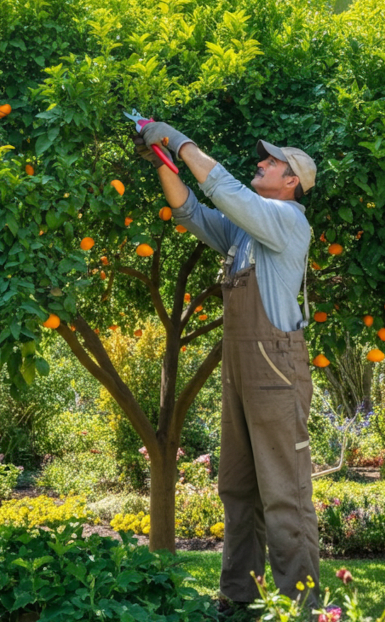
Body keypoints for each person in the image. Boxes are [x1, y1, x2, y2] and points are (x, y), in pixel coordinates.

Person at [133, 121, 321, 613]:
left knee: (284, 494)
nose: (261, 163)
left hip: (276, 373)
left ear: (291, 183)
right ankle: (239, 600)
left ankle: (301, 607)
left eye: (272, 162)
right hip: (242, 370)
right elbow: (189, 211)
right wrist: (162, 161)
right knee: (237, 488)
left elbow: (223, 189)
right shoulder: (245, 233)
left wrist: (176, 138)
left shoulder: (287, 220)